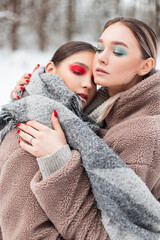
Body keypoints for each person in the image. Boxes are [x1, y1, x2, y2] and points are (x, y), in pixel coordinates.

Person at [12, 17, 160, 240]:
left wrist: (58, 160)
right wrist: (34, 92)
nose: (101, 57)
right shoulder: (102, 110)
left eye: (117, 52)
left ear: (145, 66)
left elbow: (114, 234)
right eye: (100, 47)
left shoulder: (142, 133)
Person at [0, 41, 109, 240]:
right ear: (50, 70)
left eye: (94, 80)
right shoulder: (32, 135)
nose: (87, 84)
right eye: (78, 71)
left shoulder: (75, 125)